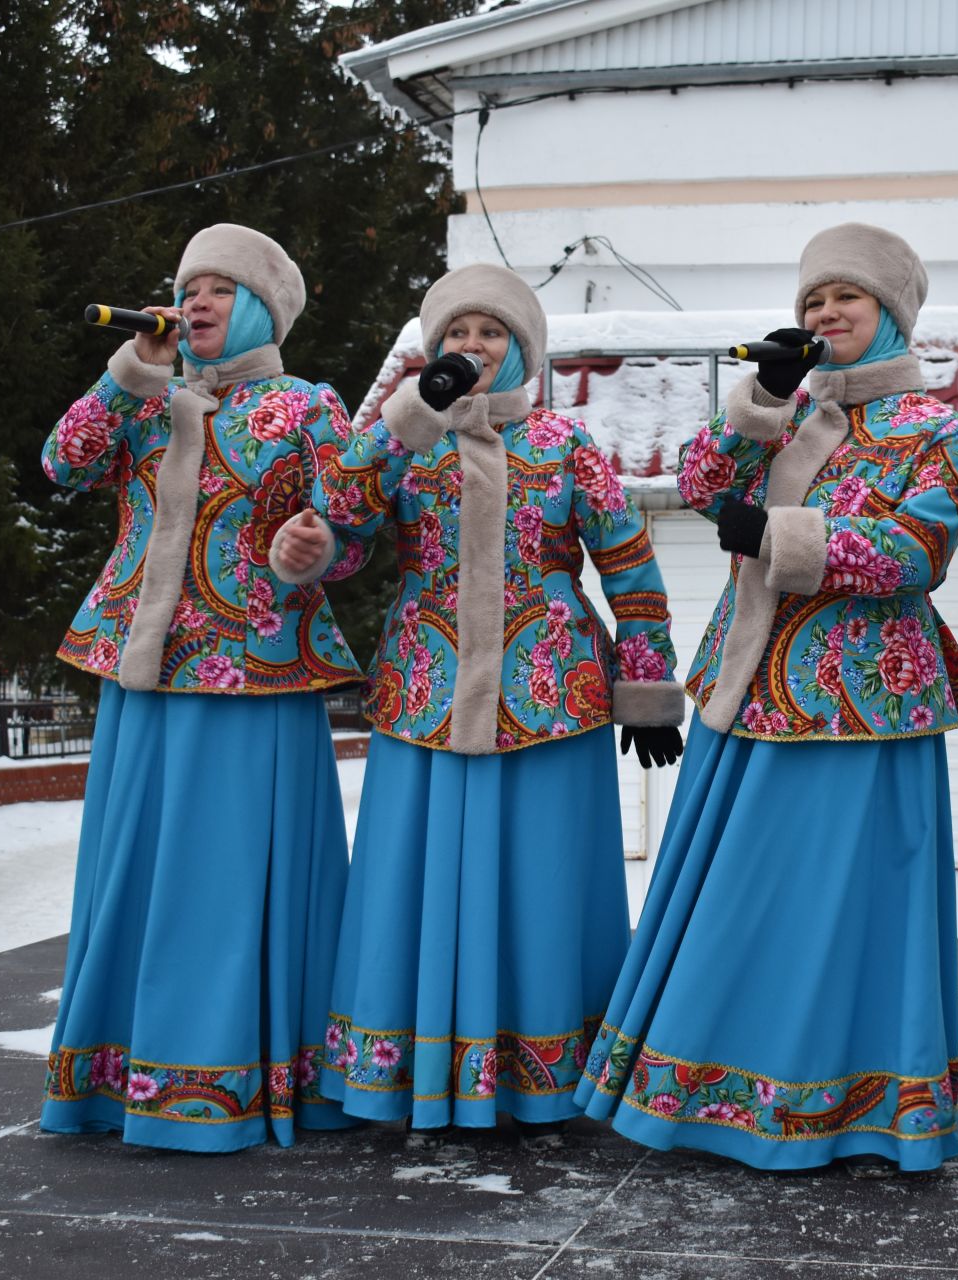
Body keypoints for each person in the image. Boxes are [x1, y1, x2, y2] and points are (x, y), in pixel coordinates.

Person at [572, 223, 958, 1174]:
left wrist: (781, 537)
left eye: (848, 298)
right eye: (812, 301)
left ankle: (837, 1098)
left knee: (837, 906)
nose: (826, 313)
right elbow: (702, 484)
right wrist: (759, 398)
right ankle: (710, 1089)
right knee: (738, 901)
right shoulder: (788, 413)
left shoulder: (936, 428)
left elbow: (917, 554)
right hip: (746, 690)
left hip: (862, 699)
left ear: (893, 315)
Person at [269, 263, 685, 1142]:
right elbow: (340, 527)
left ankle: (544, 1072)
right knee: (413, 880)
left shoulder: (568, 448)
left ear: (523, 352)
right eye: (456, 334)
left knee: (544, 881)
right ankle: (410, 1068)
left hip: (550, 699)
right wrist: (400, 423)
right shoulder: (398, 438)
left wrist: (647, 690)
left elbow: (630, 568)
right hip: (427, 691)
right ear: (431, 350)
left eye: (490, 334)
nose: (472, 348)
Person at [39, 223, 365, 1152]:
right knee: (134, 868)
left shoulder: (307, 406)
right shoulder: (149, 397)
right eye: (190, 287)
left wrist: (320, 550)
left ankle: (234, 1071)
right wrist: (129, 372)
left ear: (261, 305)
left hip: (256, 669)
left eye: (222, 288)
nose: (198, 302)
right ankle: (119, 1073)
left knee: (230, 875)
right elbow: (63, 463)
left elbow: (356, 529)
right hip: (142, 672)